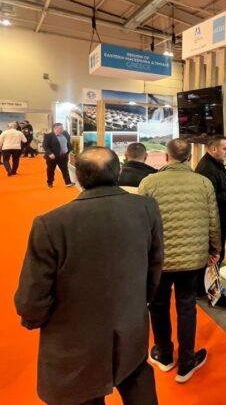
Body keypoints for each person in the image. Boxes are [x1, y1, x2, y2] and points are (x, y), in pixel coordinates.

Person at [14, 146, 164, 405]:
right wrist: (141, 301)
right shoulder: (146, 208)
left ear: (78, 176)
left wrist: (34, 318)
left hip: (74, 341)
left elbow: (31, 299)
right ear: (117, 172)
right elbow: (155, 264)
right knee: (137, 380)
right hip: (131, 325)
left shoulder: (51, 224)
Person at [139, 138, 221, 383]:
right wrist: (215, 248)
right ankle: (186, 362)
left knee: (158, 305)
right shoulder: (203, 183)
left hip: (159, 259)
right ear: (189, 158)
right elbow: (213, 220)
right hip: (192, 259)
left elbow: (141, 222)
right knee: (186, 307)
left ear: (167, 157)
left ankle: (164, 354)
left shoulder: (148, 182)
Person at [195, 134, 226, 308]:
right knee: (214, 257)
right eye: (225, 148)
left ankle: (202, 290)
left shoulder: (214, 165)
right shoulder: (207, 169)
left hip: (219, 221)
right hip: (214, 222)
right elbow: (211, 198)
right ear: (213, 149)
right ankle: (214, 295)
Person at [43, 122, 75, 188]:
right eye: (61, 128)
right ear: (55, 128)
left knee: (65, 169)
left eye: (62, 128)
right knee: (51, 170)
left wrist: (68, 151)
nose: (62, 129)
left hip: (63, 156)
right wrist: (50, 153)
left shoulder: (65, 134)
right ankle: (50, 182)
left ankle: (68, 182)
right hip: (52, 157)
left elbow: (68, 143)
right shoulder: (48, 136)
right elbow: (45, 146)